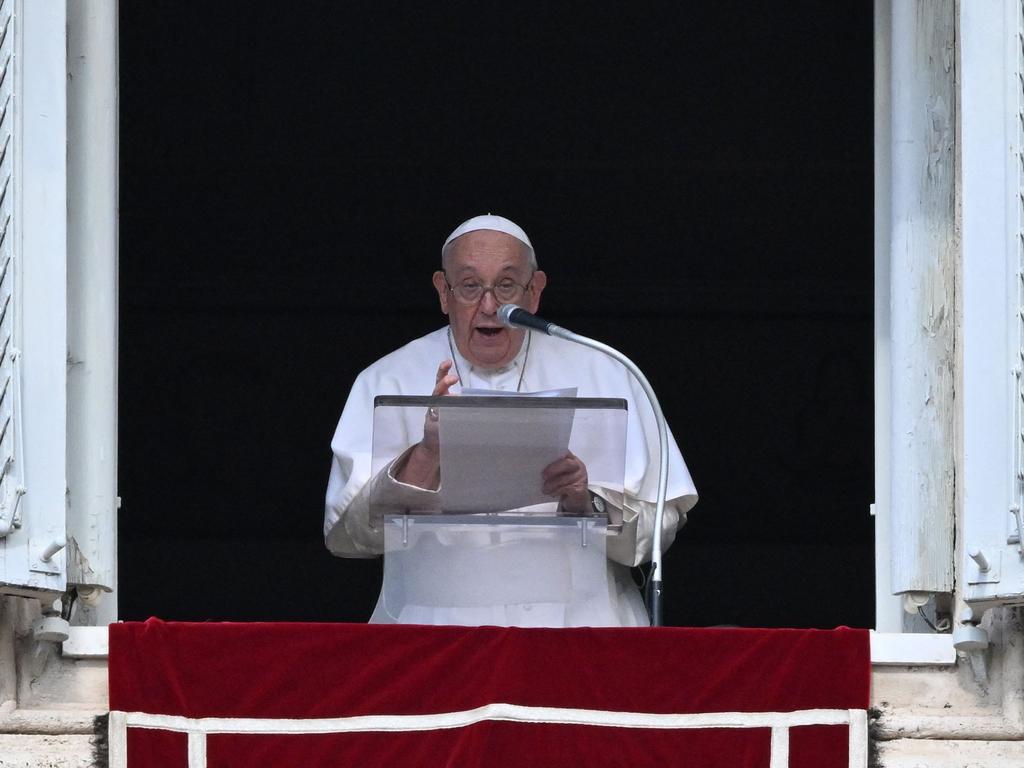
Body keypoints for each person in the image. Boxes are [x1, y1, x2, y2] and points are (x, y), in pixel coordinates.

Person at [324, 214, 697, 626]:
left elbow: (656, 531)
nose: (490, 306)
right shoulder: (385, 380)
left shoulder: (609, 373)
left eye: (505, 285)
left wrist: (585, 503)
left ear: (534, 292)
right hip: (431, 633)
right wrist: (427, 455)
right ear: (442, 292)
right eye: (469, 286)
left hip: (580, 629)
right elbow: (347, 536)